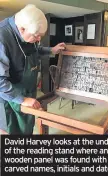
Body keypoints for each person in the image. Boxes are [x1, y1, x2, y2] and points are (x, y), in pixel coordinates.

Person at [0, 4, 66, 134]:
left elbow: (35, 50)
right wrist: (23, 100)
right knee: (10, 131)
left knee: (27, 129)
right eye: (36, 36)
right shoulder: (2, 38)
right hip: (9, 95)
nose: (39, 39)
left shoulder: (28, 34)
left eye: (40, 36)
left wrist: (51, 50)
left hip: (28, 91)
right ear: (22, 29)